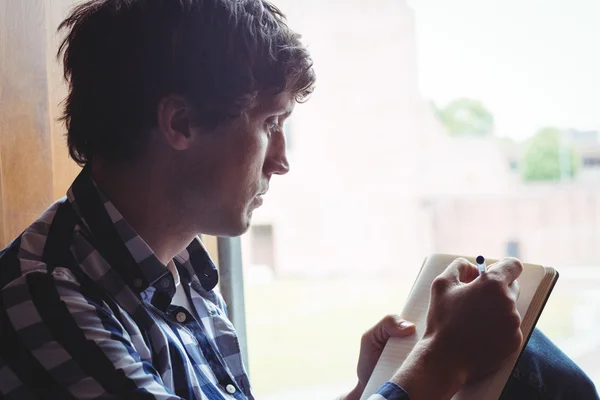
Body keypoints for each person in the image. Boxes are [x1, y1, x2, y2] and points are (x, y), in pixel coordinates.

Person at [0, 1, 597, 399]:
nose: (281, 159)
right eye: (271, 122)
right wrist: (440, 363)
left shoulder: (175, 273)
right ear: (181, 122)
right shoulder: (43, 297)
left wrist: (373, 390)